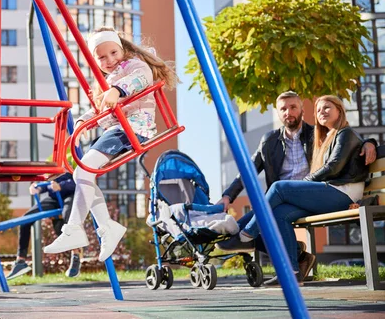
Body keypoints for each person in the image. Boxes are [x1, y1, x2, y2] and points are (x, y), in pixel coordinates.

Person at [43, 27, 178, 261]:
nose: (109, 60)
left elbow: (141, 79)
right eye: (102, 57)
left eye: (113, 53)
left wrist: (117, 90)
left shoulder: (135, 66)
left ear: (122, 48)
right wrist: (85, 120)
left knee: (84, 170)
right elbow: (102, 109)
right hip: (118, 130)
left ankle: (75, 228)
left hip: (133, 129)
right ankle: (105, 227)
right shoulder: (108, 79)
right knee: (82, 175)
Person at [216, 91, 376, 282]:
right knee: (260, 221)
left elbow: (346, 144)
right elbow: (248, 171)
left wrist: (369, 143)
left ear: (302, 109)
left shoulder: (316, 133)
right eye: (283, 109)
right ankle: (293, 269)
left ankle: (247, 235)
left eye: (293, 107)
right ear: (278, 112)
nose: (288, 112)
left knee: (274, 194)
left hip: (311, 192)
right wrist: (228, 196)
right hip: (289, 198)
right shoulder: (270, 141)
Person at [6, 173, 82, 279]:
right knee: (25, 220)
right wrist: (36, 188)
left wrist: (62, 186)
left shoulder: (70, 172)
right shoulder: (52, 173)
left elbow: (78, 184)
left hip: (69, 196)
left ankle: (76, 255)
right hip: (54, 199)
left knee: (68, 216)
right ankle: (20, 260)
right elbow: (46, 184)